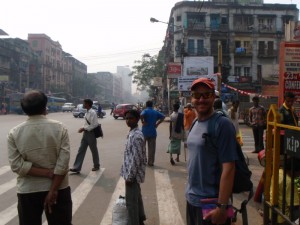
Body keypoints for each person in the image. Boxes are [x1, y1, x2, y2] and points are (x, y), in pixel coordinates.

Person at [7, 90, 72, 225]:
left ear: (24, 109)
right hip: (59, 188)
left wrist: (47, 173)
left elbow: (16, 165)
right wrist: (53, 189)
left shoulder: (14, 133)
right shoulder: (60, 128)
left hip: (28, 191)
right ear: (45, 106)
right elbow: (63, 163)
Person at [186, 78, 238, 225]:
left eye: (206, 95)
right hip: (192, 198)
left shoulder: (222, 124)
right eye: (197, 95)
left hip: (211, 202)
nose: (201, 99)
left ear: (214, 97)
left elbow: (229, 168)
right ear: (192, 98)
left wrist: (222, 208)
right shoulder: (195, 122)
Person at [120, 109, 147, 225]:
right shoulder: (132, 132)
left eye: (131, 118)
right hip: (131, 173)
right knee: (137, 198)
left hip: (133, 175)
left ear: (137, 119)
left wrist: (130, 177)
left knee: (131, 203)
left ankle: (134, 222)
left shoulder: (136, 136)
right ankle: (140, 219)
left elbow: (136, 158)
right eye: (126, 118)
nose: (128, 120)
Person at [70, 99, 100, 173]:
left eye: (84, 103)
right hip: (86, 133)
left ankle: (96, 165)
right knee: (81, 150)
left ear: (88, 104)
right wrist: (83, 128)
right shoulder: (87, 112)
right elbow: (86, 123)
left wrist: (83, 128)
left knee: (94, 150)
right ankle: (76, 167)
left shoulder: (93, 112)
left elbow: (95, 124)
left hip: (91, 133)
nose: (83, 104)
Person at [140, 100, 165, 167]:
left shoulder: (145, 111)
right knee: (152, 149)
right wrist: (157, 124)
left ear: (146, 105)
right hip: (153, 132)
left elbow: (141, 115)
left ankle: (143, 161)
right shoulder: (155, 112)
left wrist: (143, 122)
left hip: (144, 132)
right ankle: (150, 162)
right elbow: (163, 117)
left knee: (142, 148)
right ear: (152, 105)